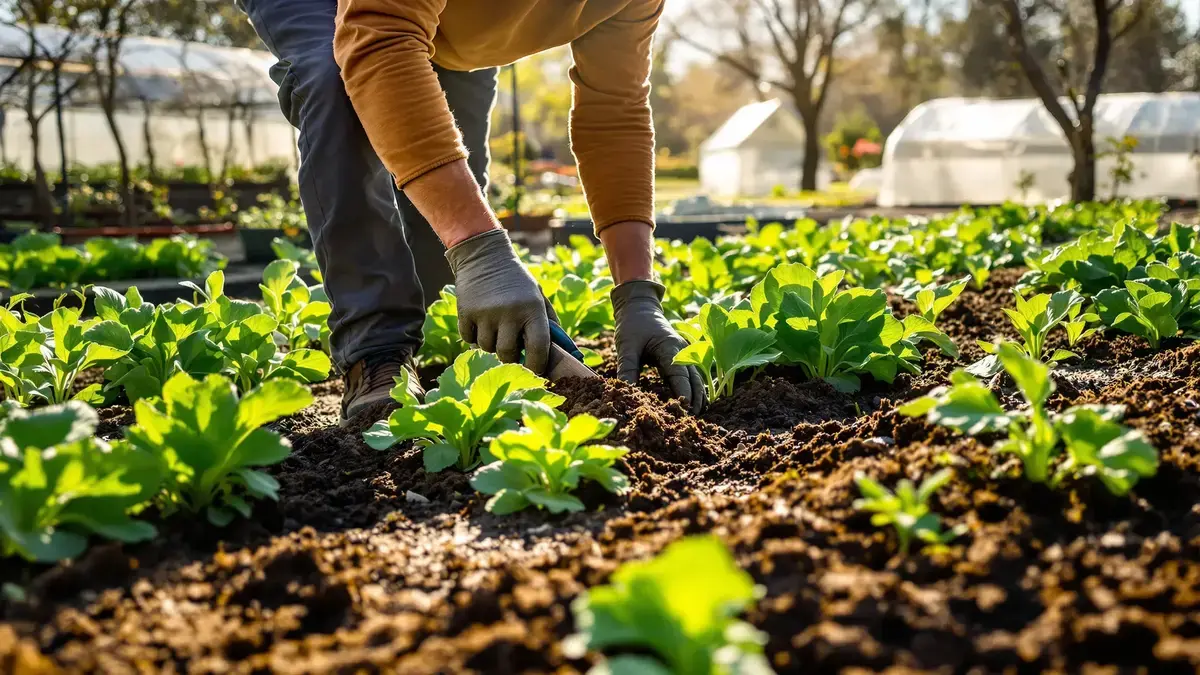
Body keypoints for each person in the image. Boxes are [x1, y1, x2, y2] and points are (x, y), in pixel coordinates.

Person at [236, 0, 704, 422]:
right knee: (333, 77)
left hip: (452, 25)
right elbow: (377, 35)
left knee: (448, 191)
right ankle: (375, 352)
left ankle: (448, 340)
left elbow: (614, 112)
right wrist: (481, 251)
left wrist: (637, 294)